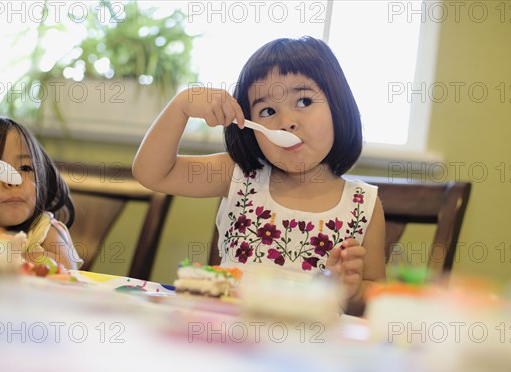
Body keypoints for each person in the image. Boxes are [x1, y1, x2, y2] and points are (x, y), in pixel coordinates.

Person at [133, 36, 385, 314]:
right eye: (267, 110)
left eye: (304, 100)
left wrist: (350, 289)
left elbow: (374, 296)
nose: (286, 121)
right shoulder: (239, 175)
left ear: (338, 106)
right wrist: (181, 106)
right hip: (226, 339)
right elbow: (153, 173)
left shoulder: (363, 203)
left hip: (309, 348)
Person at [0, 115, 82, 270]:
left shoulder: (43, 229)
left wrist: (8, 259)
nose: (13, 181)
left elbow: (68, 268)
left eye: (24, 168)